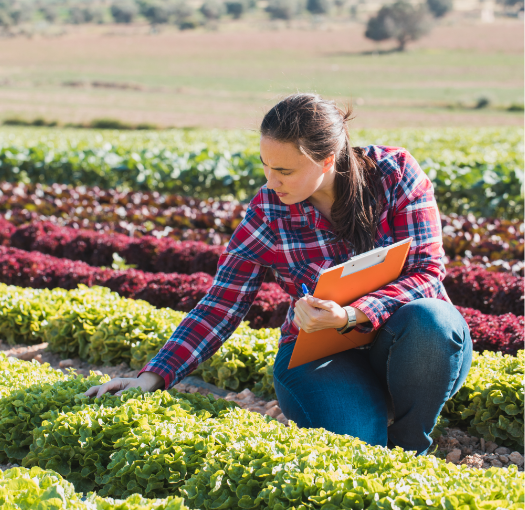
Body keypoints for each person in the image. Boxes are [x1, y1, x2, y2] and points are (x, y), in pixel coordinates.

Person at [84, 93, 472, 455]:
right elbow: (221, 304)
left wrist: (353, 314)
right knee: (359, 448)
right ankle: (364, 411)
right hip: (321, 356)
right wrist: (153, 376)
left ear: (327, 160)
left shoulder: (394, 174)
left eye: (284, 170)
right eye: (266, 167)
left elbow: (426, 272)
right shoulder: (268, 212)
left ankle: (410, 445)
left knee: (432, 319)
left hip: (410, 342)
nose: (271, 182)